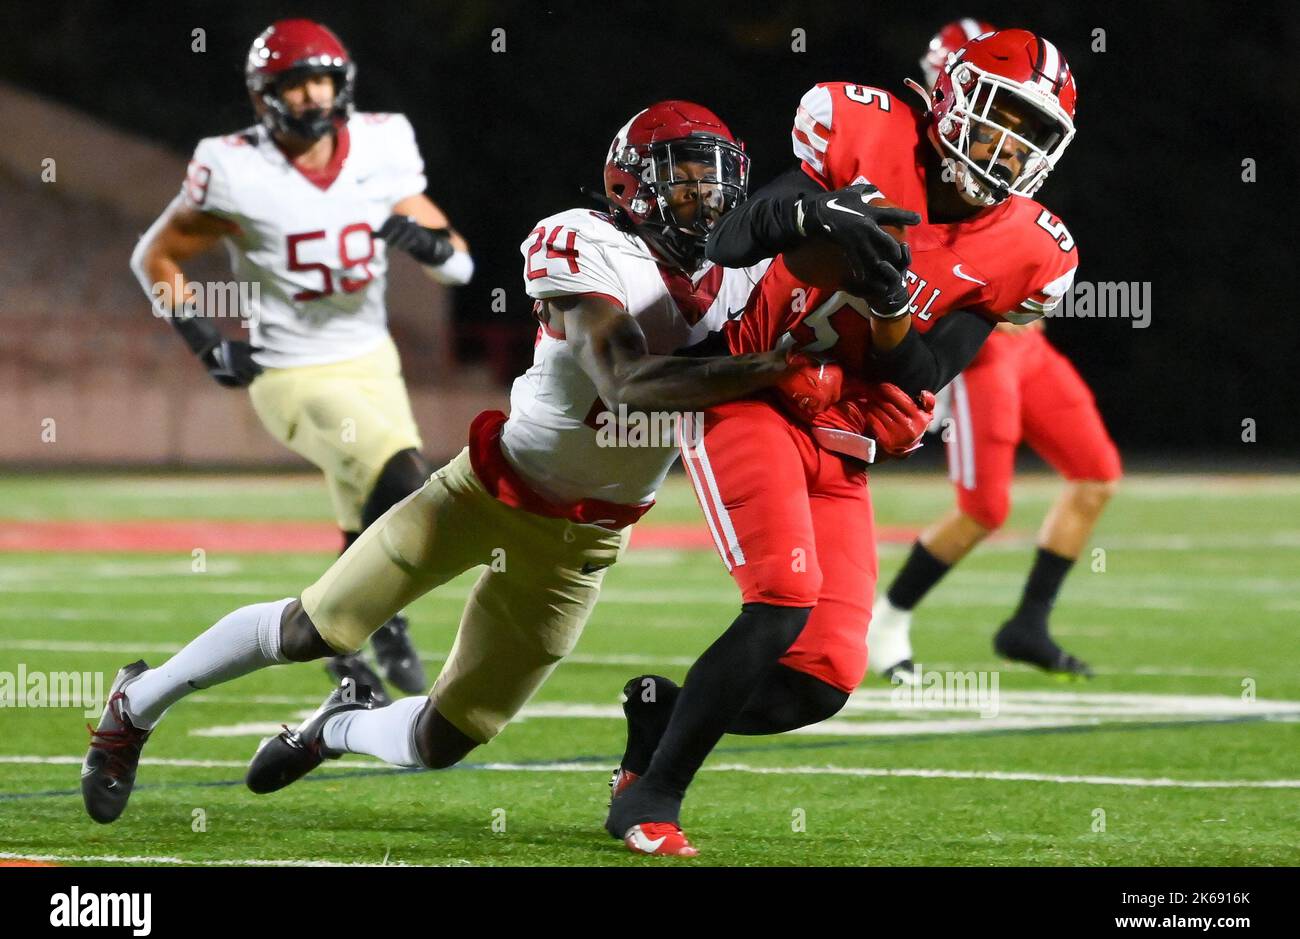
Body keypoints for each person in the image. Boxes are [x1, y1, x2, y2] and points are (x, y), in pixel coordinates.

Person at [82, 101, 843, 826]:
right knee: (317, 627)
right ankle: (132, 707)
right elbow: (627, 380)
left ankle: (339, 726)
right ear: (629, 184)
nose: (705, 195)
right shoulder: (587, 242)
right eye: (683, 175)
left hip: (588, 540)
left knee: (442, 741)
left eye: (716, 177)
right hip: (488, 491)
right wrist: (773, 368)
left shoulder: (750, 275)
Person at [606, 28, 1085, 855]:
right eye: (999, 112)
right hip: (752, 392)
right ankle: (651, 797)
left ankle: (658, 723)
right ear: (951, 96)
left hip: (841, 439)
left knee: (823, 680)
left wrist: (890, 302)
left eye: (1031, 130)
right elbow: (731, 238)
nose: (1008, 142)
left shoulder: (1031, 250)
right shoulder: (863, 128)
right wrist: (810, 210)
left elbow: (925, 371)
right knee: (782, 601)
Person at [129, 18, 474, 702]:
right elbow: (155, 255)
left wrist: (432, 248)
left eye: (322, 80)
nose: (314, 96)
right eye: (297, 83)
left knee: (368, 515)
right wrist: (203, 338)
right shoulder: (233, 166)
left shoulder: (381, 145)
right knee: (407, 484)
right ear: (264, 96)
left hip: (373, 360)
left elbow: (461, 264)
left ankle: (371, 632)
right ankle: (355, 625)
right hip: (290, 370)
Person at [868, 19, 1120, 683]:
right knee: (986, 508)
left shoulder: (1000, 156)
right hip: (978, 353)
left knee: (1096, 473)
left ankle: (1027, 623)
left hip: (1027, 342)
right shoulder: (905, 159)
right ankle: (887, 620)